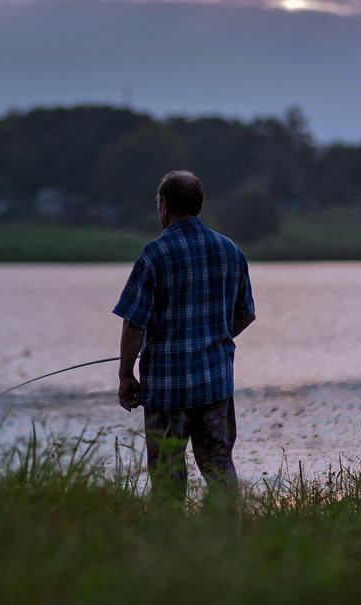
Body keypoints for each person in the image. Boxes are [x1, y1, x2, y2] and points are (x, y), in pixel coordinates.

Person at [112, 170, 256, 507]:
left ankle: (170, 543)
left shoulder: (154, 255)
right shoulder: (231, 250)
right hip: (215, 385)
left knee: (167, 473)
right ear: (199, 204)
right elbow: (246, 314)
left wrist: (125, 375)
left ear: (164, 205)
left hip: (166, 390)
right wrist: (214, 335)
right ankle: (227, 538)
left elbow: (134, 325)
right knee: (219, 469)